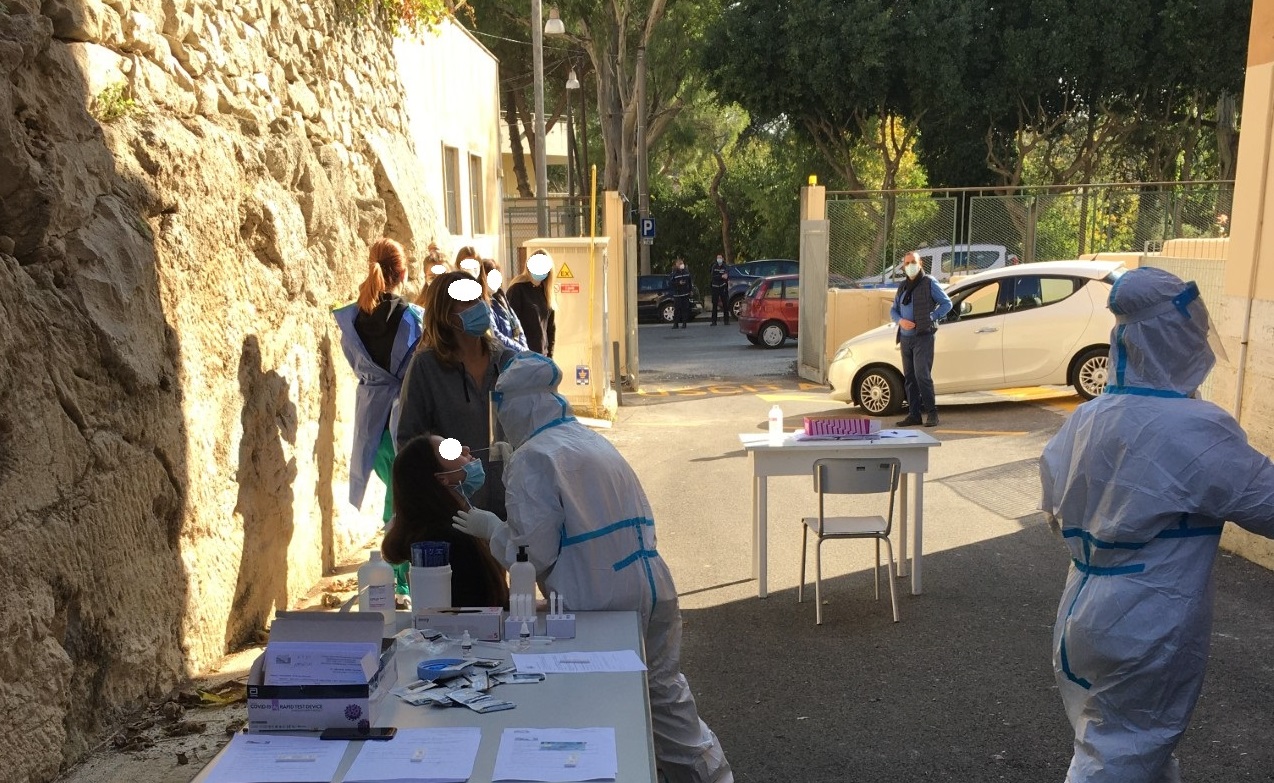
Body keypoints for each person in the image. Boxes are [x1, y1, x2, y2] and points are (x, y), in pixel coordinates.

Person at [452, 353, 734, 783]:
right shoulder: (586, 439)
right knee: (665, 695)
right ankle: (713, 777)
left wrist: (492, 529)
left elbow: (533, 555)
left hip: (598, 598)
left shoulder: (533, 460)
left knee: (603, 711)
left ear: (515, 409)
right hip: (651, 585)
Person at [1040, 267, 1274, 783]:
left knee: (1127, 749)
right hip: (1149, 619)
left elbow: (1052, 506)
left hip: (1084, 608)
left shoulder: (1087, 417)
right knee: (1121, 757)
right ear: (1174, 341)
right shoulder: (1195, 428)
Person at [332, 238, 423, 598]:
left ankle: (399, 574)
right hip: (403, 416)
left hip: (372, 419)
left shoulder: (352, 319)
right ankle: (400, 576)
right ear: (402, 272)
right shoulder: (413, 318)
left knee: (394, 491)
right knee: (402, 496)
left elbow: (355, 365)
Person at [397, 270, 513, 518]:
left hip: (511, 505)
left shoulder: (507, 361)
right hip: (455, 510)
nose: (477, 306)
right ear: (446, 314)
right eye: (466, 301)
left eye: (478, 298)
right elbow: (409, 444)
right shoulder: (426, 367)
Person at [381, 434, 510, 608]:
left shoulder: (457, 524)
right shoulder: (446, 538)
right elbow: (476, 603)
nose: (466, 450)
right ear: (442, 478)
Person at [890, 251, 952, 427]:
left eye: (913, 262)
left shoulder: (929, 282)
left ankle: (932, 413)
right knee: (909, 377)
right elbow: (893, 310)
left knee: (922, 376)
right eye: (907, 263)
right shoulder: (903, 286)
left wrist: (931, 317)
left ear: (920, 263)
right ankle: (914, 414)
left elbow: (947, 303)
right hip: (905, 338)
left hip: (923, 337)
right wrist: (900, 320)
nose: (910, 266)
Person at [507, 250, 557, 357]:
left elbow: (550, 328)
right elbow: (511, 324)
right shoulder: (517, 289)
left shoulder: (546, 293)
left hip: (542, 356)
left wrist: (550, 356)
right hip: (523, 355)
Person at [481, 257, 529, 353]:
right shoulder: (482, 305)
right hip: (502, 356)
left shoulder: (501, 298)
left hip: (516, 354)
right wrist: (521, 351)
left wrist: (524, 350)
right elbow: (495, 336)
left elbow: (517, 326)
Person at [670, 257, 693, 329]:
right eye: (680, 263)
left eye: (682, 263)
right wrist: (678, 283)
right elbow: (671, 283)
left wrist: (690, 290)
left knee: (685, 309)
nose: (681, 265)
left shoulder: (686, 272)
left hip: (685, 294)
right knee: (677, 309)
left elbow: (689, 282)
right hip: (677, 294)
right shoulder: (674, 273)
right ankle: (676, 324)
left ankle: (684, 323)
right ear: (677, 265)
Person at [708, 254, 730, 325]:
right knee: (714, 304)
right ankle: (714, 321)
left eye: (720, 258)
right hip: (715, 287)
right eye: (718, 258)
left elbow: (726, 276)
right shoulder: (714, 266)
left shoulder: (725, 267)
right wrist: (721, 276)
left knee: (725, 304)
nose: (719, 259)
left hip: (723, 287)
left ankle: (726, 321)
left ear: (723, 259)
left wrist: (722, 276)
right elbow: (713, 276)